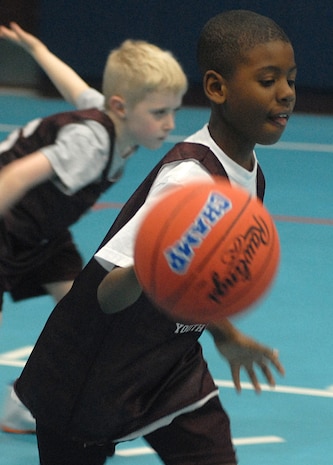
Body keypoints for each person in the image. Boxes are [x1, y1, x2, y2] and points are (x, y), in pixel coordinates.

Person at [12, 10, 296, 465]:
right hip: (94, 370)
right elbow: (107, 294)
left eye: (290, 79)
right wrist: (152, 263)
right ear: (217, 88)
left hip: (170, 364)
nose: (286, 93)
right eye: (267, 80)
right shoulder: (187, 181)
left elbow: (197, 277)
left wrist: (223, 334)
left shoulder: (249, 176)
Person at [0, 23, 187, 433]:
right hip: (7, 222)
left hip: (43, 236)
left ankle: (21, 404)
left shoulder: (111, 115)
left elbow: (74, 88)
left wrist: (37, 49)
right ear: (121, 107)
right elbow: (13, 177)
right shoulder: (91, 143)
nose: (170, 123)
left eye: (173, 110)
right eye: (159, 113)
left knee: (84, 314)